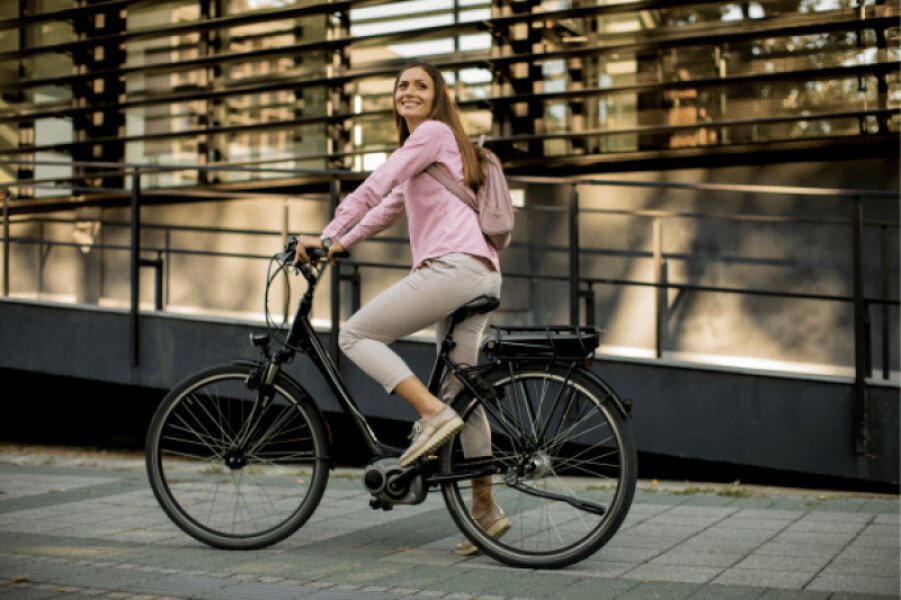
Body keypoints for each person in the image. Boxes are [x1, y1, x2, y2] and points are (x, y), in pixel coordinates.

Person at [294, 61, 508, 555]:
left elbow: (376, 183)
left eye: (420, 86)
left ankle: (430, 415)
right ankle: (485, 511)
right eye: (402, 86)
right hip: (481, 272)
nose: (409, 92)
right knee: (463, 394)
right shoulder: (433, 152)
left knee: (356, 334)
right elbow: (387, 206)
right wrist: (341, 244)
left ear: (437, 98)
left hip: (453, 268)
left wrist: (326, 233)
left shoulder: (431, 134)